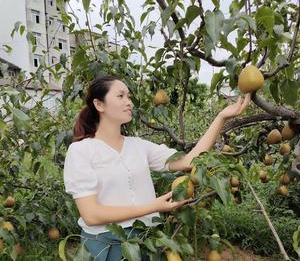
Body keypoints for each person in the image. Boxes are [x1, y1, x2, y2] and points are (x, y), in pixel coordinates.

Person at [63, 75, 250, 260]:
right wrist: (153, 206)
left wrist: (221, 118)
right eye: (120, 96)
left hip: (146, 240)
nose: (129, 102)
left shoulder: (138, 146)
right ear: (99, 105)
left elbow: (189, 160)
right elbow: (91, 215)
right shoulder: (81, 150)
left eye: (129, 96)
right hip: (105, 245)